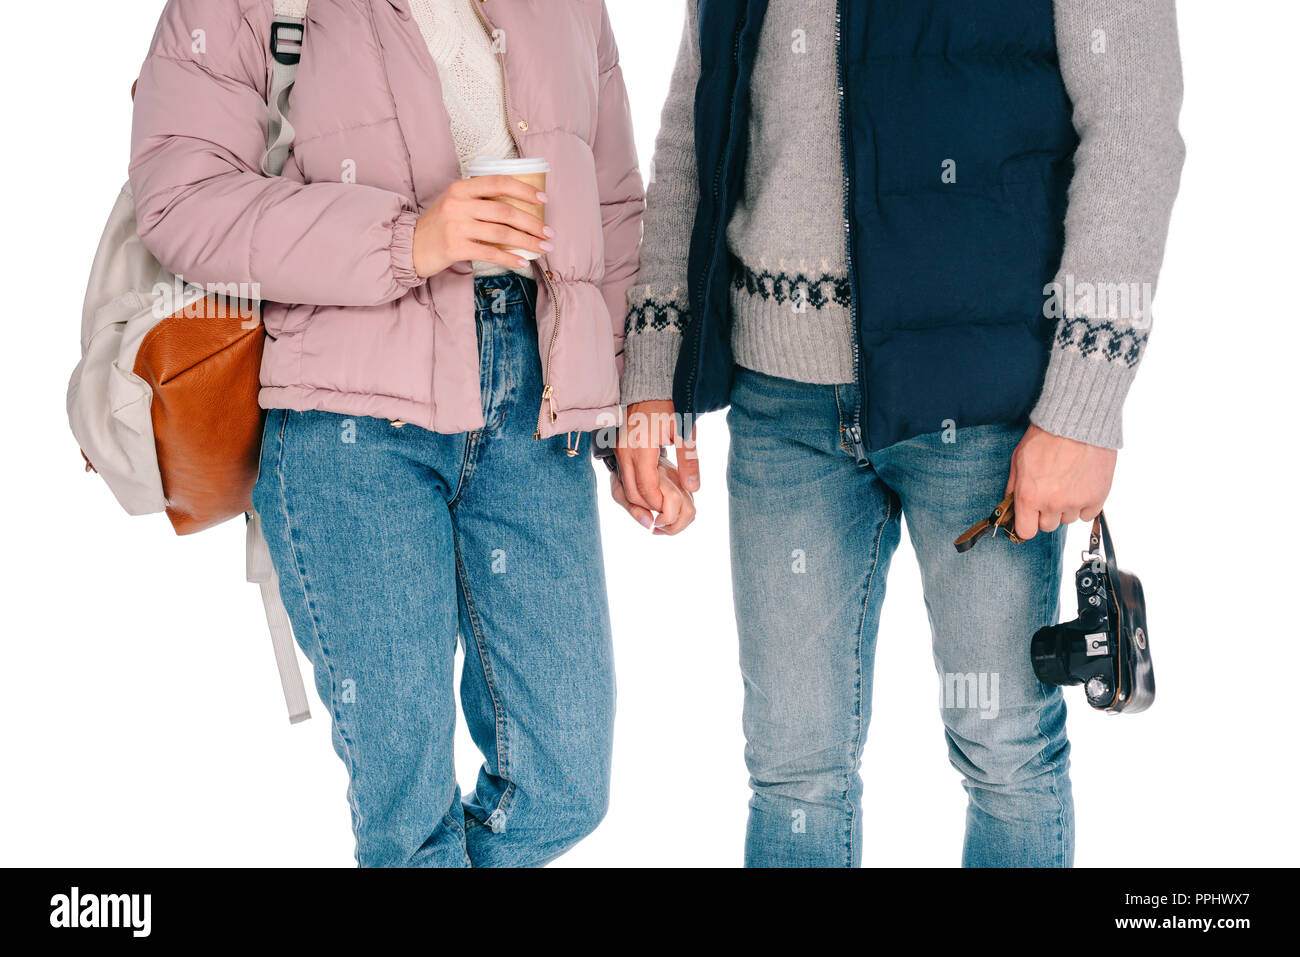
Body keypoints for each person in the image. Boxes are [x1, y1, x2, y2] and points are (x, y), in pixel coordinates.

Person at [613, 0, 1184, 867]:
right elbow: (695, 117)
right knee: (793, 771)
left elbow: (1133, 122)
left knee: (1005, 753)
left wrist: (1085, 402)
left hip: (987, 410)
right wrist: (656, 367)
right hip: (781, 404)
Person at [129, 0, 659, 867]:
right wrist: (407, 239)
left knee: (565, 782)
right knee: (409, 821)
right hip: (350, 414)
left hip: (535, 404)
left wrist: (634, 403)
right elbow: (181, 199)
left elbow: (613, 203)